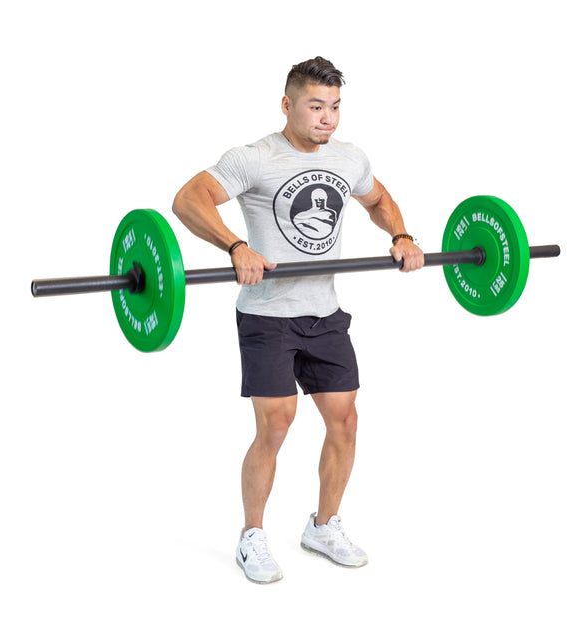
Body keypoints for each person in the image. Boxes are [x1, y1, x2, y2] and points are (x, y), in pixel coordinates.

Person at [172, 56, 424, 584]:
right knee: (277, 423)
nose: (327, 118)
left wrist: (399, 235)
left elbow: (378, 199)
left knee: (346, 420)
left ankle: (323, 526)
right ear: (288, 105)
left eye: (334, 107)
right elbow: (188, 199)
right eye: (315, 106)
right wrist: (236, 245)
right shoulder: (255, 158)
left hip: (324, 314)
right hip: (267, 316)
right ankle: (252, 536)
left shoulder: (350, 158)